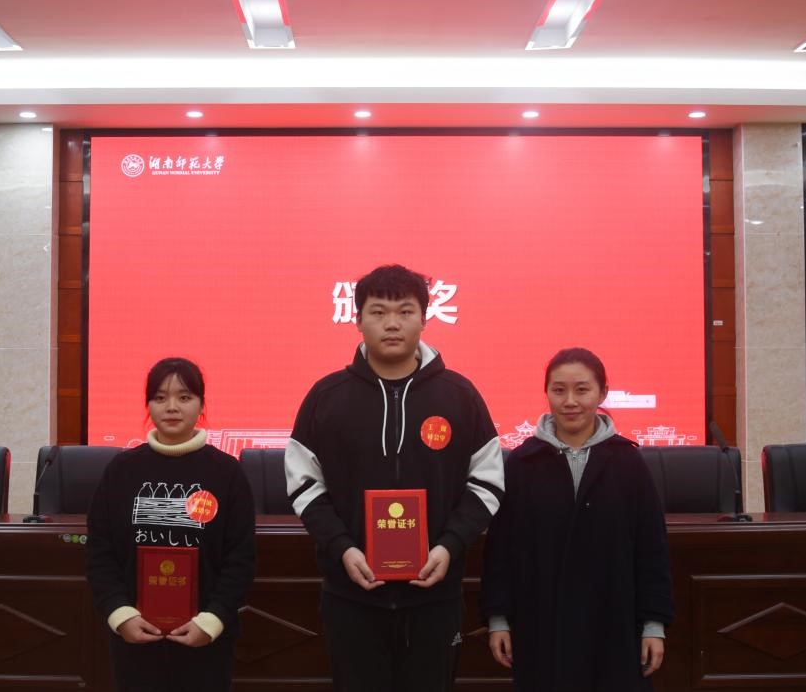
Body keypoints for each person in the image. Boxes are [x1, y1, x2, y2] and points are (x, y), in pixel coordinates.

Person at [285, 264, 505, 692]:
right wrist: (343, 548)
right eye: (378, 311)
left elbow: (487, 482)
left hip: (435, 597)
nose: (391, 323)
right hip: (351, 595)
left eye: (405, 311)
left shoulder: (460, 396)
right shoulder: (326, 397)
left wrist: (449, 545)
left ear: (424, 318)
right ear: (357, 319)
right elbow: (304, 483)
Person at [481, 347, 673, 691]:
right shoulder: (522, 464)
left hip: (613, 624)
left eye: (582, 390)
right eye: (559, 390)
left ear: (602, 393)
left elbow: (651, 550)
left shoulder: (627, 463)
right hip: (541, 623)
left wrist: (654, 625)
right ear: (547, 393)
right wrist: (498, 619)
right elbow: (500, 550)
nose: (570, 401)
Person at [86, 357, 256, 692]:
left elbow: (241, 558)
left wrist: (212, 620)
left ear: (201, 405)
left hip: (206, 638)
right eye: (160, 397)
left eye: (184, 396)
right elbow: (100, 551)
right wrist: (120, 614)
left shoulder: (227, 473)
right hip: (135, 636)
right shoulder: (121, 470)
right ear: (148, 405)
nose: (172, 407)